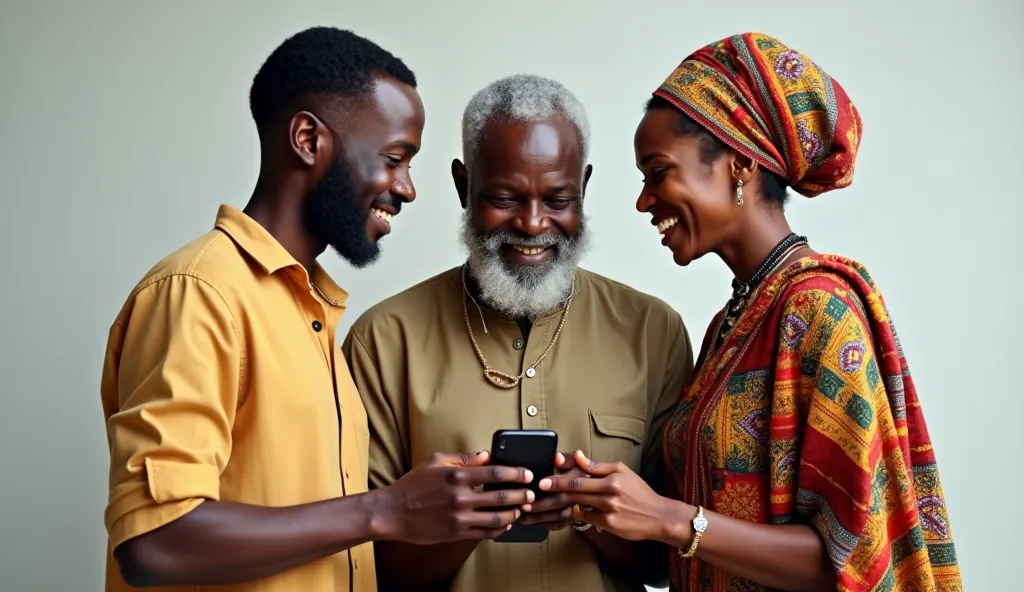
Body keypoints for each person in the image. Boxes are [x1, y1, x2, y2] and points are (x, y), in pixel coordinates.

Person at [100, 27, 536, 592]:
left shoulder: (311, 312)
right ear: (308, 139)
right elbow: (155, 543)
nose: (406, 189)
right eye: (394, 158)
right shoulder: (199, 293)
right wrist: (386, 509)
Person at [540, 32, 963, 592]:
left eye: (658, 172)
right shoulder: (731, 325)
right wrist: (585, 501)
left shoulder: (818, 310)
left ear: (738, 164)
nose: (644, 201)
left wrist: (669, 518)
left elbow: (856, 556)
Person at [341, 73, 693, 591]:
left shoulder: (652, 330)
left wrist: (587, 511)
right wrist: (466, 519)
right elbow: (364, 568)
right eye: (505, 197)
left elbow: (671, 563)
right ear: (464, 186)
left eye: (557, 200)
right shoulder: (383, 340)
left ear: (584, 189)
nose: (532, 224)